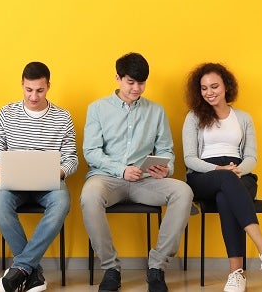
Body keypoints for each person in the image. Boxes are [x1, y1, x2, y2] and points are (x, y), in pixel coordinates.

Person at [81, 52, 194, 292]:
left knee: (183, 191)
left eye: (141, 83)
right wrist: (121, 170)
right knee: (89, 196)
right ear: (118, 78)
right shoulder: (97, 109)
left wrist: (166, 168)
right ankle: (111, 269)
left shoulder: (156, 111)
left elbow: (165, 149)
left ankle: (157, 267)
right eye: (130, 82)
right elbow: (91, 152)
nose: (136, 88)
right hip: (108, 178)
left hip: (146, 180)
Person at [182, 62, 262, 292]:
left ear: (226, 87)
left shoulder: (243, 118)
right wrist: (220, 171)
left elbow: (251, 156)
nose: (209, 92)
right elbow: (190, 158)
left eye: (214, 86)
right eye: (204, 88)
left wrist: (238, 170)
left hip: (239, 172)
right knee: (226, 182)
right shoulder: (193, 117)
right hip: (204, 175)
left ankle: (237, 274)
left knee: (225, 197)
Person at [0, 61, 78, 292]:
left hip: (49, 183)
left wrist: (57, 171)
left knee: (62, 203)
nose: (34, 96)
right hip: (13, 182)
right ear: (22, 86)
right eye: (28, 90)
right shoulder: (6, 113)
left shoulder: (62, 117)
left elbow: (72, 159)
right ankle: (31, 270)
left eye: (39, 90)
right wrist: (0, 169)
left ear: (48, 86)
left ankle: (20, 269)